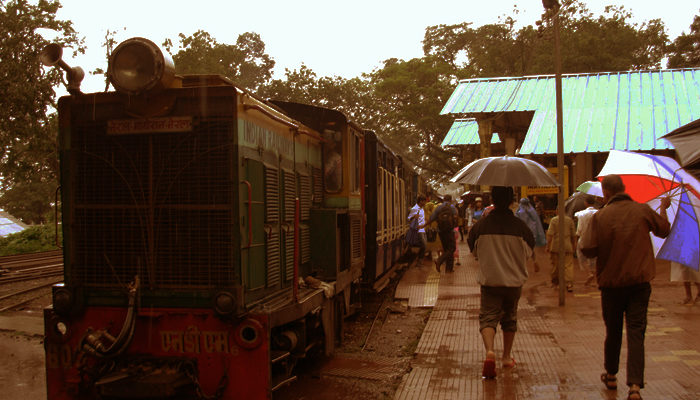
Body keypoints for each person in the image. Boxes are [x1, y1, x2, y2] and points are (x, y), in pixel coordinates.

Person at [580, 174, 671, 400]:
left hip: (611, 284)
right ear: (623, 189)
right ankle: (635, 387)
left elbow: (588, 249)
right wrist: (663, 208)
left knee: (613, 330)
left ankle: (611, 374)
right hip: (640, 283)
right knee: (636, 331)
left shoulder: (600, 217)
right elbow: (664, 230)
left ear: (607, 193)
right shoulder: (641, 210)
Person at [467, 186, 534, 379]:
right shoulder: (521, 227)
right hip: (514, 282)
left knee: (488, 317)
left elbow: (474, 252)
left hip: (490, 280)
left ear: (493, 201)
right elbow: (529, 252)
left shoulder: (480, 226)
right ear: (512, 201)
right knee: (509, 318)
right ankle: (506, 357)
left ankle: (490, 351)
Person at [423, 195, 457, 272]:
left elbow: (432, 218)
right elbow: (455, 216)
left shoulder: (439, 207)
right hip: (449, 231)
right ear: (450, 200)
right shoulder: (452, 206)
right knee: (452, 248)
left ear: (443, 199)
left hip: (441, 231)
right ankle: (440, 261)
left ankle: (449, 269)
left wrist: (424, 225)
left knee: (446, 249)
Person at [546, 210, 576, 292]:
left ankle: (555, 283)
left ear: (556, 211)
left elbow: (550, 234)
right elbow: (573, 235)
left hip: (555, 246)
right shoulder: (570, 220)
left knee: (555, 265)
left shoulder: (554, 220)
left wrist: (548, 246)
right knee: (568, 265)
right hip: (567, 246)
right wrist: (574, 245)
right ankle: (569, 284)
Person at [515, 198, 546, 273]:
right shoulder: (532, 211)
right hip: (531, 233)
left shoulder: (519, 211)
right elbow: (537, 223)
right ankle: (534, 260)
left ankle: (522, 265)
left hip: (522, 233)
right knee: (531, 247)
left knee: (521, 248)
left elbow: (516, 221)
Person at [574, 195, 598, 286]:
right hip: (595, 238)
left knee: (581, 258)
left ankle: (589, 273)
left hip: (583, 238)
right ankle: (594, 278)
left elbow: (579, 230)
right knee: (594, 259)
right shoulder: (598, 212)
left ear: (585, 203)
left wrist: (575, 241)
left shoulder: (580, 214)